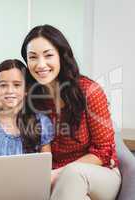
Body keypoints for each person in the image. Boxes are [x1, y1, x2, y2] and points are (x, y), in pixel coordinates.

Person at [21, 24, 121, 200]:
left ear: (61, 56)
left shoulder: (89, 91)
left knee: (73, 174)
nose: (40, 64)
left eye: (48, 55)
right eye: (33, 57)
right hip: (56, 183)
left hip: (98, 175)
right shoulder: (31, 96)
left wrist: (56, 174)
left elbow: (103, 152)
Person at [0, 59, 54, 156]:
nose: (10, 90)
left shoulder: (41, 122)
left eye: (17, 85)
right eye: (3, 85)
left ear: (26, 89)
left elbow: (46, 165)